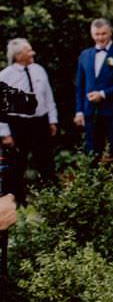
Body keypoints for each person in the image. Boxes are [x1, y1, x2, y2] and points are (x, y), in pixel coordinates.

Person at [0, 38, 58, 202]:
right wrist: (5, 133)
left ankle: (52, 197)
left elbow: (48, 96)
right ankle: (17, 201)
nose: (33, 53)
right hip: (18, 124)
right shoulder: (5, 76)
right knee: (16, 165)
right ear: (18, 55)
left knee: (46, 161)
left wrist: (52, 120)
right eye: (28, 51)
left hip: (40, 122)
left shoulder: (39, 70)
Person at [74, 18, 113, 158]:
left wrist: (104, 94)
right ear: (91, 34)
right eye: (97, 34)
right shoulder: (84, 55)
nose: (100, 38)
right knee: (92, 153)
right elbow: (80, 86)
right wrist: (79, 111)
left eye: (103, 34)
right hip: (90, 112)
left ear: (110, 33)